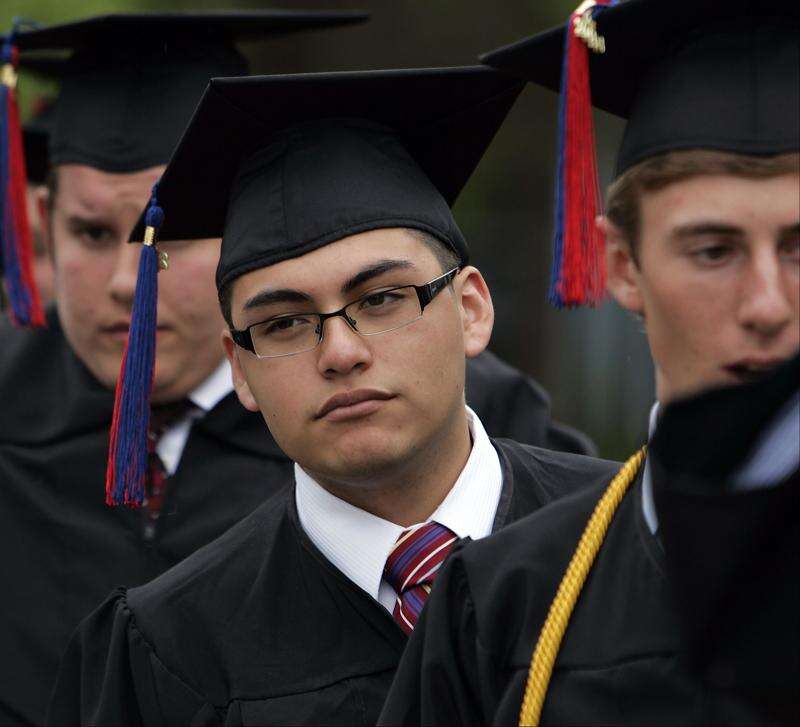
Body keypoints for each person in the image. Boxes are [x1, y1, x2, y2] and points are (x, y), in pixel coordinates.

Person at [46, 65, 620, 725]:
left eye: (380, 299)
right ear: (240, 368)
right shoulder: (170, 651)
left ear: (471, 310)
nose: (341, 352)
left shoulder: (634, 542)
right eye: (284, 323)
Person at [378, 1, 799, 724]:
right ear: (622, 266)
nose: (766, 304)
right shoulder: (506, 601)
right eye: (713, 251)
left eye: (799, 247)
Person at [0, 11, 369, 724]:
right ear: (43, 220)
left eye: (167, 233)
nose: (124, 282)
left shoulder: (407, 419)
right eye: (91, 232)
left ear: (251, 228)